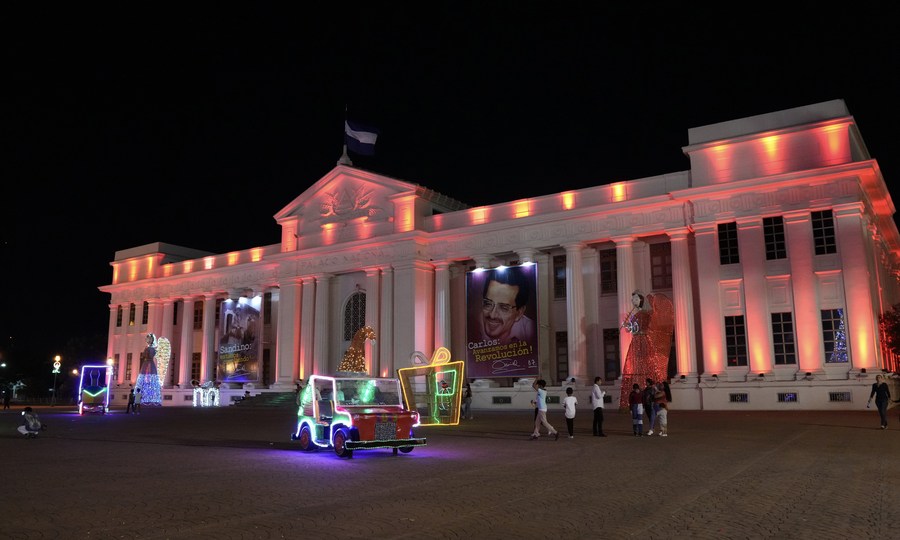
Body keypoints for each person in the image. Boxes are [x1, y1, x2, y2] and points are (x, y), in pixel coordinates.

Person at [618, 290, 674, 410]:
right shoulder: (634, 315)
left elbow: (644, 326)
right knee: (633, 365)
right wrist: (627, 326)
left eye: (636, 299)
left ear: (641, 300)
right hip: (636, 341)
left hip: (643, 340)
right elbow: (632, 330)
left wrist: (633, 326)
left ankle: (658, 400)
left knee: (650, 365)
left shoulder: (646, 314)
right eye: (633, 300)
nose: (634, 302)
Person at [479, 268, 536, 346]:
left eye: (503, 308)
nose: (492, 315)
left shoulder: (531, 331)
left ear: (519, 313)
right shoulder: (474, 326)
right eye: (488, 304)